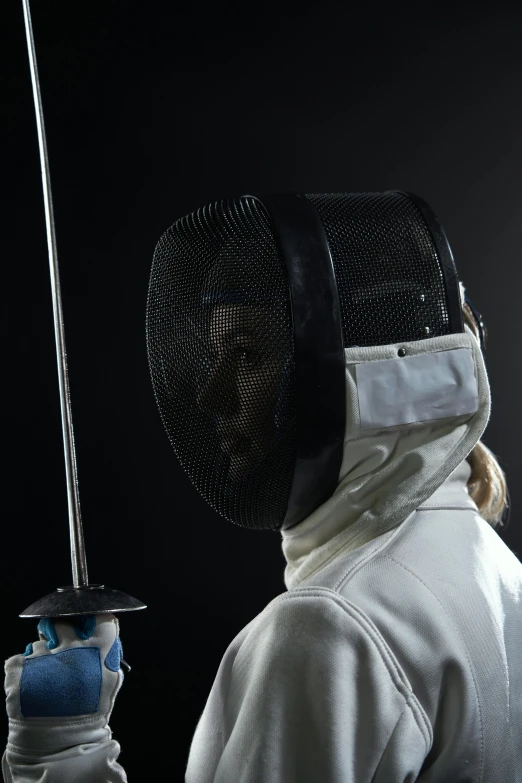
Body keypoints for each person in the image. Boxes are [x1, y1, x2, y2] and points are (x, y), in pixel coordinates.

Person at [3, 192, 520, 782]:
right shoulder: (499, 573)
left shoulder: (329, 629)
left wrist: (61, 754)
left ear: (359, 375)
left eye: (247, 356)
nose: (209, 394)